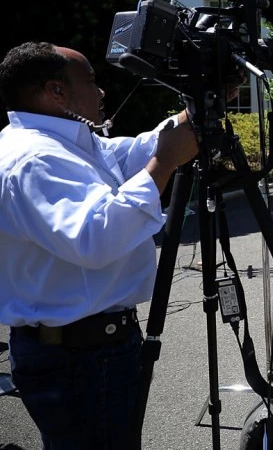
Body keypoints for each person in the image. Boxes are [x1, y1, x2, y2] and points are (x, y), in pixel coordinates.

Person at [0, 41, 200, 449]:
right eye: (91, 81)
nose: (101, 91)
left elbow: (127, 153)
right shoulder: (33, 158)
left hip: (87, 349)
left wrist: (196, 107)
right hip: (80, 357)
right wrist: (163, 165)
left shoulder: (64, 142)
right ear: (56, 91)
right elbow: (94, 238)